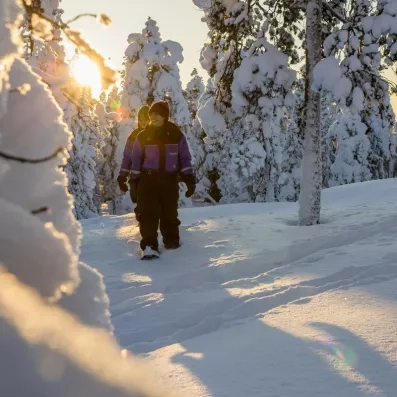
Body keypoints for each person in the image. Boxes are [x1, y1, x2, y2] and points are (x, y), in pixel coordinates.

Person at [129, 100, 196, 259]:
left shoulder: (176, 135)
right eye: (151, 114)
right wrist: (133, 183)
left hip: (169, 180)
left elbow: (184, 159)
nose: (153, 116)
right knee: (147, 214)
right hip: (148, 181)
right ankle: (150, 246)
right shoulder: (143, 136)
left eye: (157, 114)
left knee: (169, 214)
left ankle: (172, 243)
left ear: (165, 116)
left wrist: (189, 179)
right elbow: (136, 160)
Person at [117, 105, 150, 221]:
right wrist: (122, 177)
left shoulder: (157, 135)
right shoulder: (133, 136)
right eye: (140, 119)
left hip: (155, 176)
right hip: (137, 177)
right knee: (139, 203)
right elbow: (127, 157)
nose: (143, 122)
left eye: (145, 119)